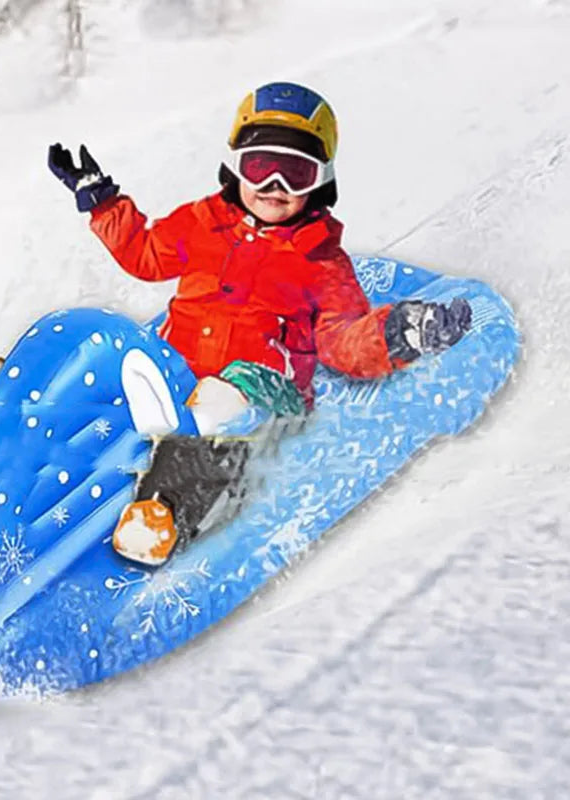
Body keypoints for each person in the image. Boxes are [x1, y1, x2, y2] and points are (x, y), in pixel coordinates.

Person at [43, 82, 471, 566]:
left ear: (320, 180)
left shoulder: (322, 264)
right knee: (116, 367)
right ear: (235, 166)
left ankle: (163, 513)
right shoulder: (202, 223)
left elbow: (344, 341)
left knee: (222, 405)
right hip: (178, 374)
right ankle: (34, 430)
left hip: (264, 394)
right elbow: (145, 255)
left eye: (294, 173)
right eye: (260, 167)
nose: (275, 187)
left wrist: (402, 331)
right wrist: (102, 202)